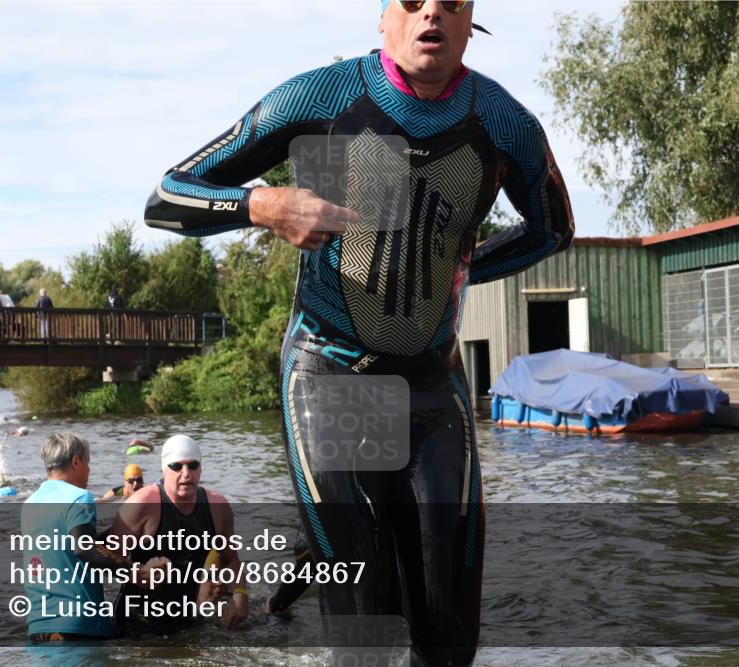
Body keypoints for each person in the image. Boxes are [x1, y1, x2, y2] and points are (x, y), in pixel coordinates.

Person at [143, 2, 574, 663]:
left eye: (451, 1)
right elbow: (168, 195)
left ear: (468, 20)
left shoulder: (506, 124)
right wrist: (263, 204)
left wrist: (462, 267)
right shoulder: (321, 96)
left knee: (448, 632)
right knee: (364, 613)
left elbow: (552, 230)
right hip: (328, 376)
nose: (431, 11)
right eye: (411, 0)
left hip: (432, 389)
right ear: (383, 18)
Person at [21, 432, 157, 643]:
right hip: (79, 625)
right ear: (76, 461)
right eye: (88, 462)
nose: (90, 470)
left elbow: (64, 548)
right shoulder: (78, 496)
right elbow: (84, 549)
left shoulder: (29, 504)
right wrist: (135, 572)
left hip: (38, 625)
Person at [109, 434, 249, 634]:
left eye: (193, 466)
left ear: (200, 469)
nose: (186, 474)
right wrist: (139, 571)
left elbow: (231, 559)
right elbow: (105, 560)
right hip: (137, 621)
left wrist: (239, 595)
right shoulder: (141, 505)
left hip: (188, 619)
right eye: (177, 466)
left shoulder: (218, 507)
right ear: (164, 469)